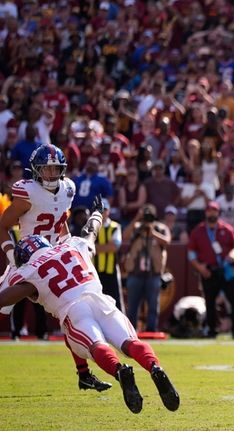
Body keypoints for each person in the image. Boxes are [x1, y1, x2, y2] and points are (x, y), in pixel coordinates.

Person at [0, 200, 179, 414]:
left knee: (96, 346)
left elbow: (7, 298)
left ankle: (120, 372)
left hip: (74, 311)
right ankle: (154, 368)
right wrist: (97, 213)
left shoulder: (29, 271)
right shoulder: (72, 246)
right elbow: (91, 231)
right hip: (101, 300)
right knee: (130, 342)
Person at [0, 144, 110, 392]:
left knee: (70, 313)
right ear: (36, 170)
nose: (50, 174)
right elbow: (3, 225)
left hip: (53, 258)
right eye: (46, 169)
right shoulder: (27, 192)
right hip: (27, 261)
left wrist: (67, 246)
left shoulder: (68, 189)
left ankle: (84, 374)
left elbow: (60, 223)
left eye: (55, 169)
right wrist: (11, 256)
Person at [187, 201, 234, 339]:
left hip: (226, 268)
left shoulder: (226, 228)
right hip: (209, 270)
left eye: (214, 211)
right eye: (209, 211)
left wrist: (233, 254)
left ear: (218, 212)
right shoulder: (198, 231)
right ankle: (212, 330)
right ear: (205, 213)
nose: (212, 213)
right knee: (210, 302)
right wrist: (199, 268)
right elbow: (191, 253)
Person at [122, 204, 171, 332]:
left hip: (153, 273)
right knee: (132, 305)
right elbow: (124, 236)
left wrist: (152, 232)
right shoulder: (137, 227)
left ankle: (151, 330)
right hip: (135, 273)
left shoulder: (160, 228)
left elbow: (167, 241)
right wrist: (137, 219)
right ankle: (131, 331)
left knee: (153, 305)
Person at [94, 200, 123, 311]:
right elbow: (87, 246)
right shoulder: (91, 226)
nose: (102, 212)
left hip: (111, 270)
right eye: (100, 209)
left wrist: (96, 247)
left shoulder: (115, 226)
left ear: (109, 211)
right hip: (95, 270)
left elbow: (114, 247)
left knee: (115, 301)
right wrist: (106, 246)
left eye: (104, 209)